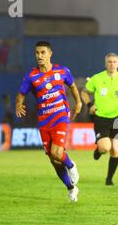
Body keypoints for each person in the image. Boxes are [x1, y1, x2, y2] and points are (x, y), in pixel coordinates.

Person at [15, 41, 82, 202]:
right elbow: (21, 94)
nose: (40, 56)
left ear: (50, 54)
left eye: (43, 52)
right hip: (44, 120)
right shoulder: (31, 76)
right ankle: (71, 188)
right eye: (37, 53)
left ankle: (72, 166)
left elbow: (72, 86)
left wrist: (78, 102)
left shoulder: (62, 71)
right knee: (54, 160)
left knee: (57, 153)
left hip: (60, 115)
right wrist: (18, 104)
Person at [80, 53, 118, 186]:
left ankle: (109, 179)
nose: (112, 64)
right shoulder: (97, 78)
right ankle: (99, 150)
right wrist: (89, 105)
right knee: (106, 147)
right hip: (101, 118)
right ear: (106, 64)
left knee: (115, 150)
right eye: (109, 62)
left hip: (117, 119)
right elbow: (83, 92)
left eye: (114, 62)